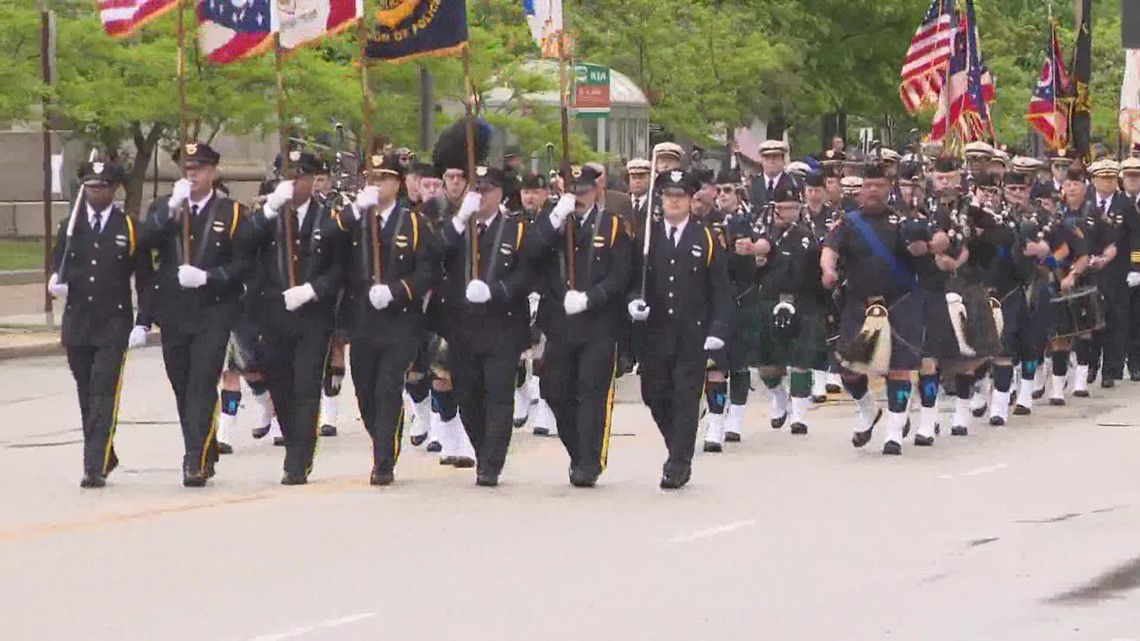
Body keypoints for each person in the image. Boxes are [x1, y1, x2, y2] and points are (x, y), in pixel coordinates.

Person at [142, 142, 254, 487]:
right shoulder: (165, 207)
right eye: (187, 169)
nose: (192, 175)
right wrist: (171, 208)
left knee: (202, 383)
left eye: (199, 169)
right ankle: (204, 448)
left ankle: (193, 457)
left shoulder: (232, 212)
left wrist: (210, 277)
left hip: (214, 310)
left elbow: (245, 263)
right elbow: (144, 245)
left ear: (213, 171)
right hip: (174, 311)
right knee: (181, 384)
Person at [47, 160, 153, 488]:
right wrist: (55, 282)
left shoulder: (130, 228)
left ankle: (93, 466)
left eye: (101, 187)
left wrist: (143, 322)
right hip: (78, 324)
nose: (95, 192)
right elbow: (57, 262)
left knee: (104, 392)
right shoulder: (71, 226)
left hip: (112, 325)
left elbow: (146, 280)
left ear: (113, 190)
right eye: (90, 187)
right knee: (86, 394)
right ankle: (104, 453)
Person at [247, 151, 347, 485]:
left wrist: (313, 289)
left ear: (312, 180)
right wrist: (269, 209)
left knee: (306, 386)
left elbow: (340, 270)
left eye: (299, 177)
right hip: (273, 315)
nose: (291, 183)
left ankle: (298, 458)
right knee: (280, 385)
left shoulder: (329, 218)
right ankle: (293, 440)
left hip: (312, 317)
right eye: (285, 177)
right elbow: (243, 243)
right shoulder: (269, 216)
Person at [528, 165, 632, 486]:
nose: (579, 198)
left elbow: (621, 274)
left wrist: (592, 298)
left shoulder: (613, 227)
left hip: (599, 324)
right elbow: (531, 252)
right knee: (555, 391)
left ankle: (590, 461)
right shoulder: (554, 224)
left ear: (597, 191)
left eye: (585, 191)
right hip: (560, 323)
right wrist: (556, 217)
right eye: (574, 191)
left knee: (591, 393)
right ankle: (577, 451)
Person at [628, 169, 731, 489]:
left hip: (692, 332)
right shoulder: (648, 236)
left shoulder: (706, 237)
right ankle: (678, 444)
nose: (673, 201)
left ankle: (678, 462)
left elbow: (721, 290)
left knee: (686, 397)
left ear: (690, 200)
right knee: (654, 393)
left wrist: (718, 328)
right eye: (668, 196)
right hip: (656, 332)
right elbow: (633, 280)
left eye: (679, 197)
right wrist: (634, 302)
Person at [436, 166, 535, 487]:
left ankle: (492, 462)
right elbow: (433, 253)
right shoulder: (457, 227)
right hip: (462, 327)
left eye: (487, 190)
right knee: (468, 395)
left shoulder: (516, 230)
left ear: (501, 194)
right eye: (475, 189)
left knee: (498, 395)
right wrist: (458, 220)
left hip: (502, 327)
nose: (480, 196)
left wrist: (496, 291)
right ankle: (482, 449)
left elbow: (526, 275)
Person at [342, 154, 438, 485]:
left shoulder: (414, 223)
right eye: (371, 178)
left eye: (383, 178)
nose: (376, 184)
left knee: (387, 387)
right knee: (365, 391)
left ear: (398, 183)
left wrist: (397, 291)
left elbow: (427, 271)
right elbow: (327, 242)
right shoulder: (356, 220)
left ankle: (383, 459)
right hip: (362, 320)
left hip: (400, 321)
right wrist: (354, 209)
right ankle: (383, 435)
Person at [822, 163, 928, 456]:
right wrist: (828, 271)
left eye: (878, 185)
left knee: (899, 368)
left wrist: (920, 239)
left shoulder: (902, 220)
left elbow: (920, 253)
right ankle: (867, 409)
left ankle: (894, 432)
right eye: (867, 185)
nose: (871, 190)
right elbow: (830, 249)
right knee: (848, 369)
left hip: (901, 303)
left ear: (888, 187)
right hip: (859, 303)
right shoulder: (848, 222)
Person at [737, 184, 826, 437]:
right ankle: (779, 397)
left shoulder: (807, 235)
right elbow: (756, 261)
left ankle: (799, 416)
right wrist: (754, 256)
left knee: (800, 361)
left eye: (792, 208)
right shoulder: (763, 233)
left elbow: (816, 272)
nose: (787, 212)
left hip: (802, 301)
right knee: (767, 366)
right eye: (783, 208)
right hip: (767, 300)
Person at [702, 168, 761, 449]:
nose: (723, 195)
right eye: (720, 190)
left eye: (729, 190)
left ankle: (735, 418)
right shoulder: (706, 221)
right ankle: (715, 421)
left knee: (739, 362)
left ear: (738, 193)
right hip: (714, 300)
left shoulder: (751, 221)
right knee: (715, 363)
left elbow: (759, 261)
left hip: (743, 296)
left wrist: (747, 251)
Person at [1085, 159, 1139, 388]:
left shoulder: (1125, 204)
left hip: (1118, 272)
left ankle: (1110, 369)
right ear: (1094, 180)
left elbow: (1137, 237)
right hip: (1091, 270)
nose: (1106, 183)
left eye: (1110, 178)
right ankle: (1090, 366)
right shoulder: (1086, 203)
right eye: (1102, 178)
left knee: (1116, 321)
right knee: (1091, 321)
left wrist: (1136, 267)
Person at [1122, 157, 1140, 380]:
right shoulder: (1117, 203)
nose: (1133, 180)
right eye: (1129, 176)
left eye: (1137, 176)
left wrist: (1137, 265)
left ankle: (1135, 363)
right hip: (1117, 269)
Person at [749, 140, 795, 209]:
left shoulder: (792, 183)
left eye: (775, 157)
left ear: (783, 160)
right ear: (761, 160)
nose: (771, 161)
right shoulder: (754, 183)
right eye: (767, 157)